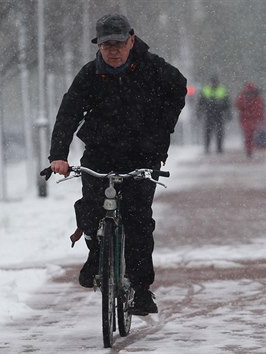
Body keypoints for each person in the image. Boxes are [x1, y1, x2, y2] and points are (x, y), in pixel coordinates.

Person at [48, 14, 187, 316]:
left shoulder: (152, 68)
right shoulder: (89, 75)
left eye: (119, 44)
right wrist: (58, 155)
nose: (113, 50)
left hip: (143, 155)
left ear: (131, 41)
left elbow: (179, 89)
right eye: (106, 45)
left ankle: (140, 288)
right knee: (90, 208)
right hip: (100, 152)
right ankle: (97, 254)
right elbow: (68, 113)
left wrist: (162, 129)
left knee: (138, 221)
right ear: (98, 46)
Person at [197, 75, 231, 153]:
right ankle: (207, 148)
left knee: (219, 132)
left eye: (215, 82)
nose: (213, 83)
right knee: (208, 132)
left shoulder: (222, 89)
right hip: (209, 113)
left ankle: (219, 148)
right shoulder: (205, 89)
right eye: (212, 82)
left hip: (219, 113)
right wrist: (199, 112)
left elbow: (227, 102)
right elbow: (200, 102)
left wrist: (228, 112)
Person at [235, 81, 266, 158]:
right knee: (250, 135)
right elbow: (260, 110)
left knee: (248, 135)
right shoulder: (256, 98)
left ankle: (249, 149)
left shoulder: (243, 96)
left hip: (246, 119)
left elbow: (237, 105)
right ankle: (250, 149)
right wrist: (262, 119)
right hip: (250, 119)